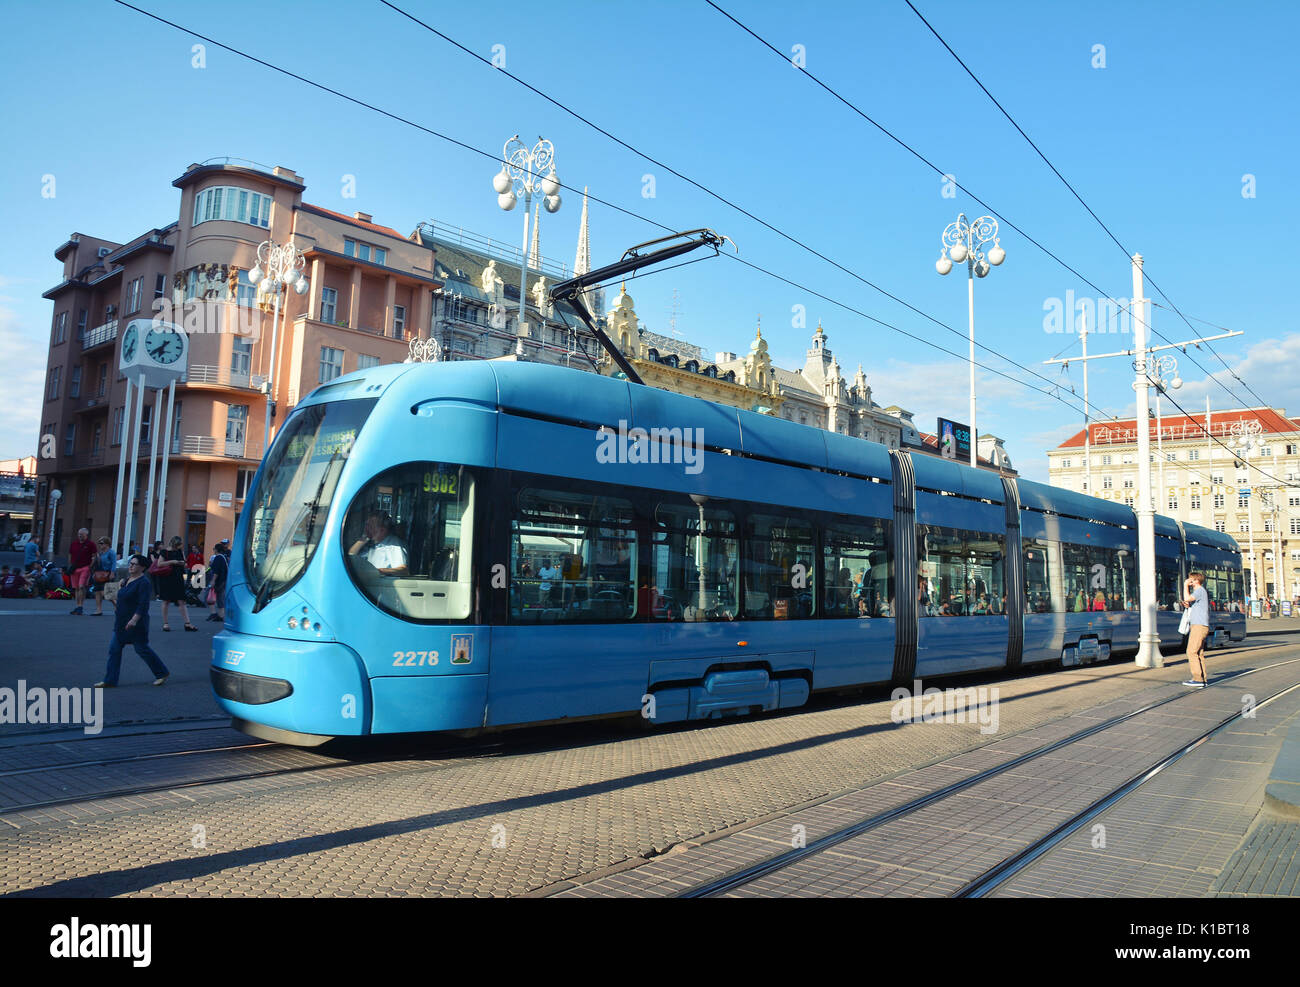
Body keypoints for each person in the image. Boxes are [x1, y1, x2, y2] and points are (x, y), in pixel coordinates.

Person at [93, 554, 169, 688]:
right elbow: (116, 597)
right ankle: (110, 680)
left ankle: (161, 672)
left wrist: (134, 620)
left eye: (134, 564)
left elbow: (143, 605)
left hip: (136, 623)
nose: (131, 566)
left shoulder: (143, 583)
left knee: (142, 649)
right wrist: (114, 600)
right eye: (130, 563)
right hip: (121, 621)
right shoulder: (126, 580)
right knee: (114, 649)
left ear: (142, 567)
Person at [157, 535, 197, 631]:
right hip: (167, 578)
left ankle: (187, 623)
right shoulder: (164, 552)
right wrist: (173, 562)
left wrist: (183, 563)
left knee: (181, 601)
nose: (179, 547)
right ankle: (165, 623)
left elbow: (184, 562)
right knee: (166, 600)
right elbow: (159, 564)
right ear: (174, 543)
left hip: (178, 578)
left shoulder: (179, 551)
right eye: (178, 545)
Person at [1182, 571, 1211, 688]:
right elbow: (1191, 602)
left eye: (1190, 579)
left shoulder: (1199, 591)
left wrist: (1185, 585)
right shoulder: (1200, 592)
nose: (1189, 581)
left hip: (1199, 626)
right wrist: (1189, 606)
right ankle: (1202, 678)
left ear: (1196, 580)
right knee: (1199, 652)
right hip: (1200, 625)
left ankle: (1198, 679)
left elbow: (1187, 597)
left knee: (1191, 651)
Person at [67, 527, 97, 615]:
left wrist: (90, 566)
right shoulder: (74, 544)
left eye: (82, 534)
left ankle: (80, 606)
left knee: (81, 586)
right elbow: (70, 554)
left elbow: (94, 555)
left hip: (85, 567)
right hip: (75, 568)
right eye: (79, 534)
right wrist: (70, 564)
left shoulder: (90, 544)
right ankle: (77, 606)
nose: (80, 536)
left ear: (86, 535)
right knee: (76, 588)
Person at [91, 536, 117, 616]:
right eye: (99, 543)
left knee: (107, 593)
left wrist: (112, 573)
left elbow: (114, 563)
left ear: (107, 544)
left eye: (102, 543)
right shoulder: (100, 553)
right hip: (99, 574)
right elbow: (97, 564)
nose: (100, 545)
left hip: (108, 573)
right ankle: (99, 609)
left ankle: (118, 606)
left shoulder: (111, 552)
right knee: (97, 591)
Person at [207, 540, 231, 622]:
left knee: (214, 597)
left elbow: (216, 571)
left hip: (219, 581)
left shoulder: (218, 558)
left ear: (216, 549)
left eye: (214, 549)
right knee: (220, 597)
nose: (213, 550)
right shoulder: (224, 557)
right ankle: (220, 614)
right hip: (224, 580)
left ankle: (216, 614)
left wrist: (213, 581)